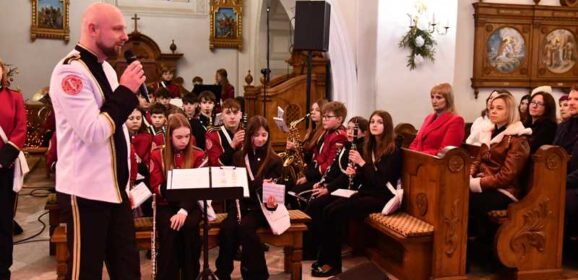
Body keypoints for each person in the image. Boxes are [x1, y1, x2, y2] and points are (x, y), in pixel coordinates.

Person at [48, 3, 144, 279]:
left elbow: (117, 129)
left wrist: (124, 183)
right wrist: (126, 91)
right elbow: (93, 132)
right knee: (85, 273)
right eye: (117, 29)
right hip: (86, 193)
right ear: (92, 29)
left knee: (128, 271)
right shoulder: (70, 72)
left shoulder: (109, 70)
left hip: (115, 192)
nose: (125, 35)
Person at [311, 110, 402, 277]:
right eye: (372, 121)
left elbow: (380, 180)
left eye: (379, 122)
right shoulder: (370, 145)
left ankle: (333, 265)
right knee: (329, 209)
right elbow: (366, 175)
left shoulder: (393, 150)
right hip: (367, 192)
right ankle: (325, 260)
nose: (374, 124)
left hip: (382, 197)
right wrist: (353, 172)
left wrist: (361, 162)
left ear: (387, 126)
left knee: (335, 212)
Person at [215, 116, 283, 280]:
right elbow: (220, 164)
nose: (260, 139)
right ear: (249, 135)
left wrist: (264, 191)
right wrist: (232, 146)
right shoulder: (238, 156)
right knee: (227, 229)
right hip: (239, 205)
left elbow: (273, 195)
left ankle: (256, 274)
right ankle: (223, 273)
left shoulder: (275, 160)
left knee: (245, 227)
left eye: (264, 135)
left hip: (261, 208)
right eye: (256, 135)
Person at [468, 92, 531, 247]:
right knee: (454, 194)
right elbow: (478, 160)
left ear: (509, 111)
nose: (493, 111)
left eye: (499, 108)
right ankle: (467, 248)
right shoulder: (489, 131)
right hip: (485, 184)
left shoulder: (517, 139)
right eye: (491, 108)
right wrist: (468, 177)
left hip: (506, 191)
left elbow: (506, 176)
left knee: (466, 201)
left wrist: (477, 184)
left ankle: (470, 250)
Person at [149, 114, 206, 279]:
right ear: (169, 136)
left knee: (188, 228)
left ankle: (190, 275)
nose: (184, 141)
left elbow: (197, 189)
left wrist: (183, 210)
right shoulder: (157, 154)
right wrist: (178, 184)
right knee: (170, 230)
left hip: (190, 206)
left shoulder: (198, 154)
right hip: (166, 204)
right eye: (179, 137)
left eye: (187, 136)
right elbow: (156, 187)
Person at [303, 116, 368, 260]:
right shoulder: (347, 145)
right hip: (338, 186)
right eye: (349, 128)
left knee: (318, 205)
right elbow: (335, 169)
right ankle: (309, 247)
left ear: (363, 133)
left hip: (350, 189)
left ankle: (313, 249)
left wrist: (328, 189)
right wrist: (323, 182)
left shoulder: (360, 148)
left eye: (354, 129)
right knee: (313, 201)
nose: (350, 132)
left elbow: (347, 176)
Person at [0, 58, 27, 280]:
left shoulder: (14, 97)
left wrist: (3, 159)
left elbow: (20, 129)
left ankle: (2, 268)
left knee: (3, 220)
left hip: (4, 167)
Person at [410, 83, 465, 155]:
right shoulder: (428, 118)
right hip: (418, 159)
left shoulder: (456, 120)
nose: (434, 101)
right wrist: (412, 153)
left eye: (438, 98)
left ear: (448, 100)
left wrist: (420, 154)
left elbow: (445, 152)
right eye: (432, 97)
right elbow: (416, 142)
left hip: (435, 163)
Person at [205, 98, 244, 166]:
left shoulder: (247, 132)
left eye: (235, 112)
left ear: (240, 115)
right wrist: (233, 145)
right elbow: (215, 163)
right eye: (228, 113)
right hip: (222, 174)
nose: (232, 117)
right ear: (221, 116)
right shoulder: (213, 134)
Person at [522, 86, 557, 153]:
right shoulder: (526, 123)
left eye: (540, 104)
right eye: (533, 102)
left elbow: (533, 148)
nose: (534, 106)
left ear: (547, 107)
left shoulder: (549, 126)